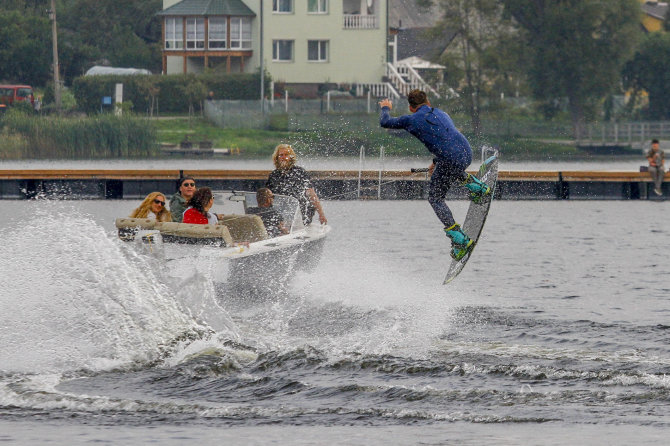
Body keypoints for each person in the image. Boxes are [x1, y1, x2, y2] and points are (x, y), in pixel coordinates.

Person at [379, 89, 491, 260]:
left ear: (410, 107)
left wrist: (385, 107)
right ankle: (477, 187)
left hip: (449, 159)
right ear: (428, 102)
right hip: (466, 153)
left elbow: (385, 122)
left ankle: (460, 240)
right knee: (449, 167)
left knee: (435, 198)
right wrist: (436, 161)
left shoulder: (410, 119)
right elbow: (444, 139)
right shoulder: (441, 112)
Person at [266, 144, 327, 225]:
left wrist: (321, 214)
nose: (283, 157)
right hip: (281, 213)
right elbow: (267, 196)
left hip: (299, 212)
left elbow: (311, 194)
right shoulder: (273, 175)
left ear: (291, 157)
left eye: (286, 155)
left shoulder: (300, 172)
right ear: (277, 158)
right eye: (281, 155)